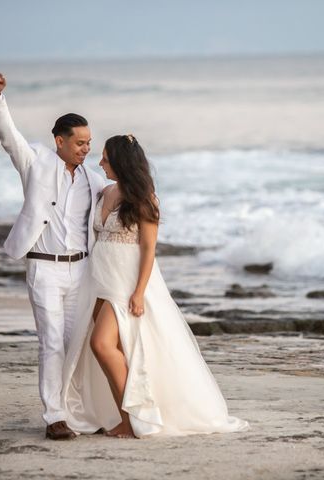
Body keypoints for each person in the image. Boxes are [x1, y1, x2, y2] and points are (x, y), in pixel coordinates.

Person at [61, 134, 250, 438]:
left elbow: (149, 250)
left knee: (102, 345)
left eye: (106, 159)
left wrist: (138, 292)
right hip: (99, 279)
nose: (100, 163)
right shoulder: (106, 191)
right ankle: (124, 415)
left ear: (121, 162)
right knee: (121, 351)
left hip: (124, 283)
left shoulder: (144, 200)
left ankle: (133, 420)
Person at [0, 73, 106, 440]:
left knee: (75, 342)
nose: (86, 149)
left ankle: (75, 411)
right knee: (51, 341)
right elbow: (10, 138)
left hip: (81, 269)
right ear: (60, 141)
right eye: (80, 143)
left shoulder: (93, 180)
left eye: (89, 143)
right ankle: (54, 416)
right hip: (44, 266)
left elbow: (119, 195)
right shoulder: (36, 162)